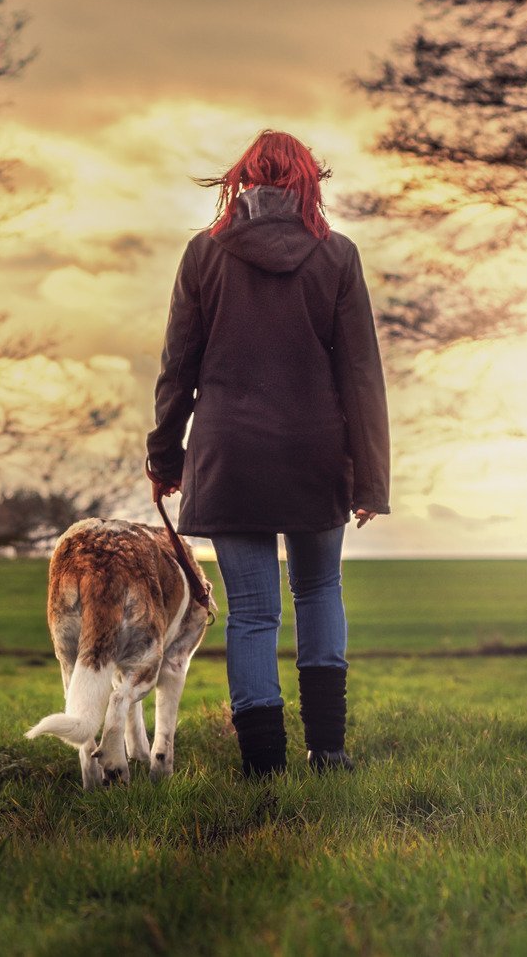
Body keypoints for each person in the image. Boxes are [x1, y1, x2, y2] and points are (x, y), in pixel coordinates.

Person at [146, 129, 391, 777]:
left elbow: (178, 367)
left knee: (253, 612)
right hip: (316, 454)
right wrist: (370, 479)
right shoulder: (337, 256)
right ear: (309, 183)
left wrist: (164, 457)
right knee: (318, 590)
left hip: (230, 458)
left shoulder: (204, 254)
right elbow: (361, 375)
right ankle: (329, 751)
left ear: (242, 181)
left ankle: (263, 768)